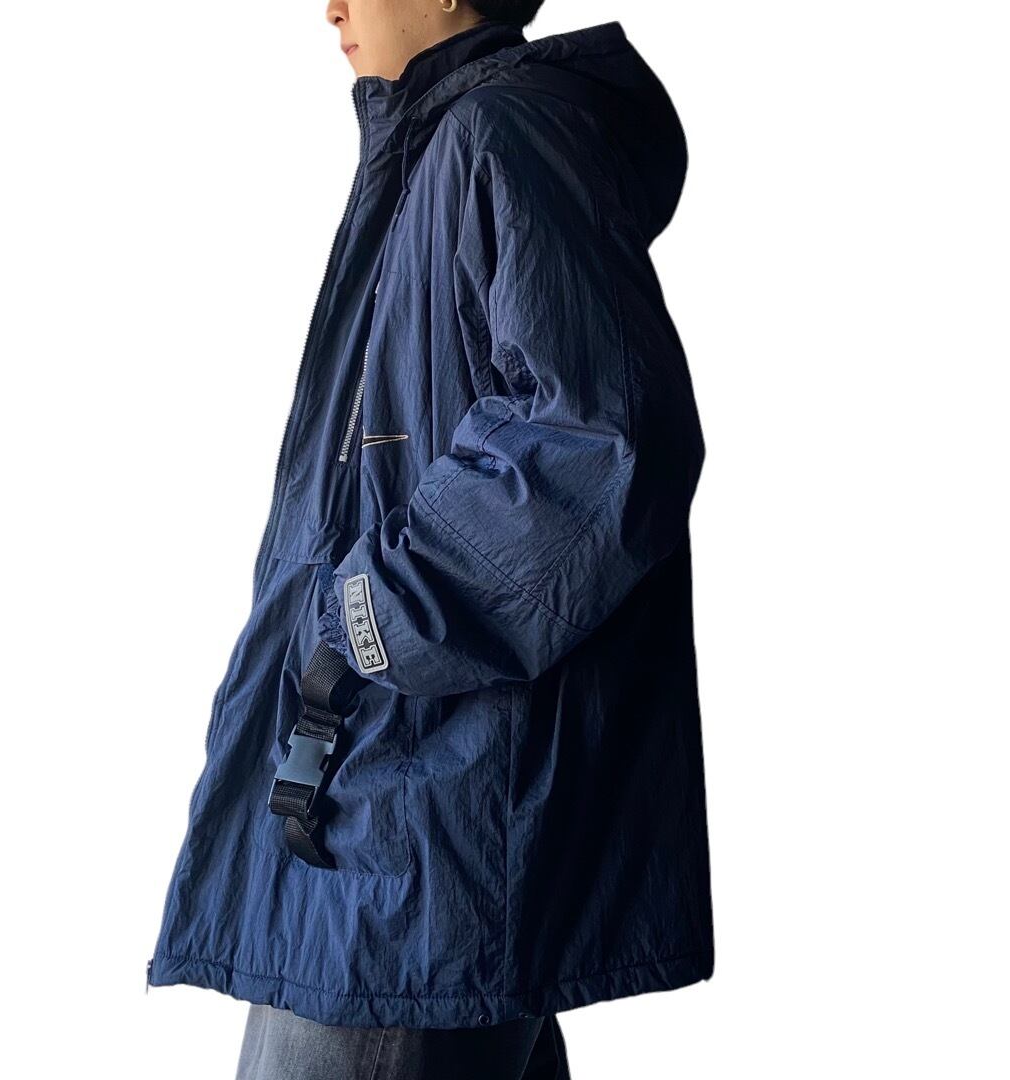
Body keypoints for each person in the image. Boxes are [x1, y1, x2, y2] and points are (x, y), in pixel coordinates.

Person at [148, 2, 714, 1076]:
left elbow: (602, 434)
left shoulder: (501, 135)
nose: (329, 5)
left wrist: (364, 614)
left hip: (414, 828)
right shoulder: (433, 149)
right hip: (408, 803)